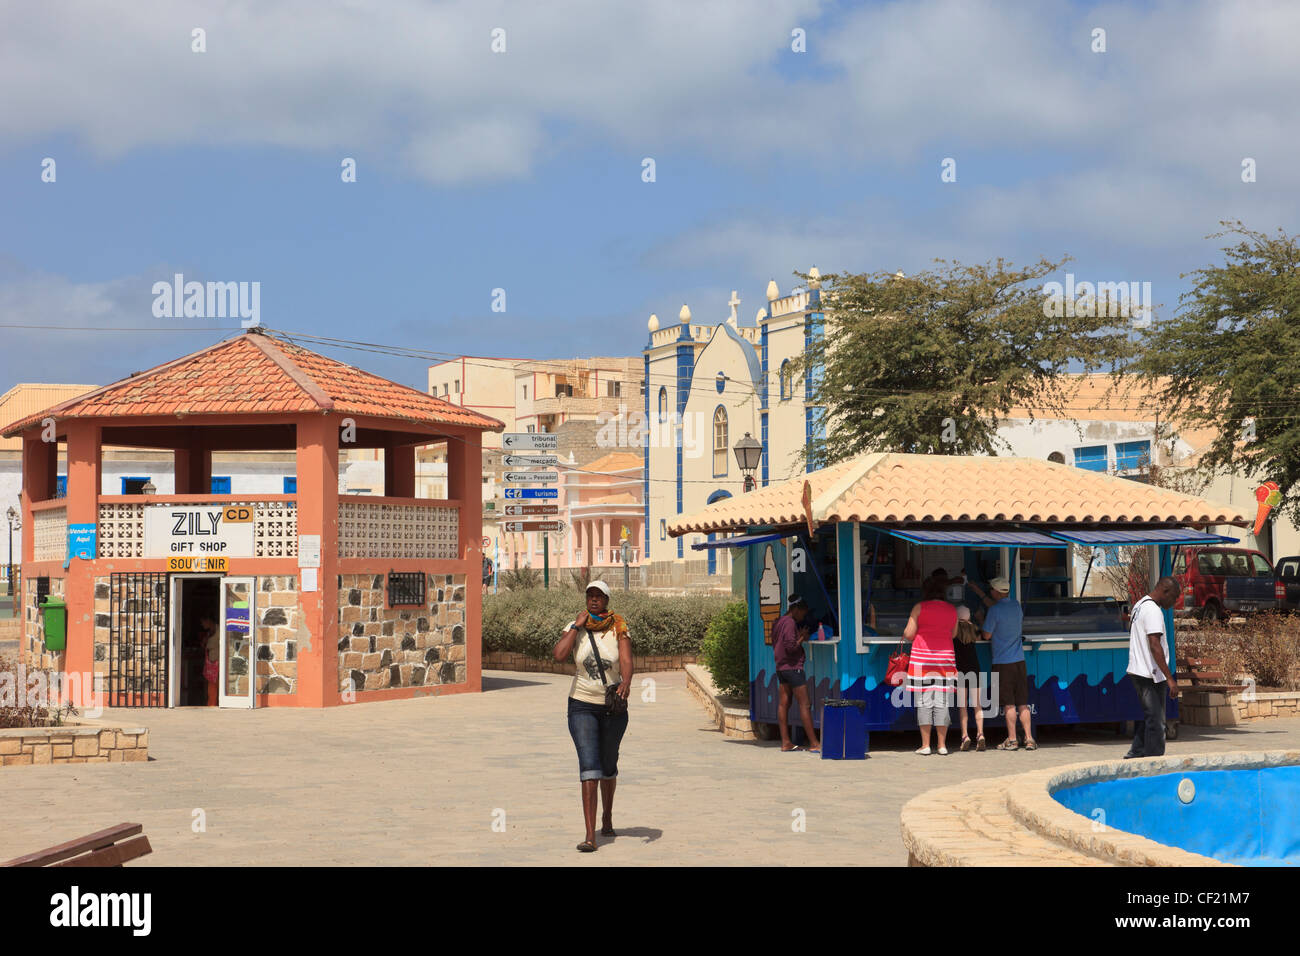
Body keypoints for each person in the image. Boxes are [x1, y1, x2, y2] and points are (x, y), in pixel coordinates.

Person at [553, 580, 632, 852]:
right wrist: (576, 626)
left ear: (607, 600)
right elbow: (559, 655)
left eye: (599, 596)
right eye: (590, 596)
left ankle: (607, 817)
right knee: (589, 765)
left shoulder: (618, 627)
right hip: (582, 704)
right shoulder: (576, 627)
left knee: (608, 763)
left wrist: (627, 682)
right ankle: (590, 835)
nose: (594, 600)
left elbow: (626, 659)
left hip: (612, 706)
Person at [1124, 576, 1180, 759]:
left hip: (1140, 670)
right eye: (1173, 598)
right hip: (1149, 674)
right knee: (1157, 722)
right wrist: (1170, 679)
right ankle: (1154, 762)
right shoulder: (1153, 611)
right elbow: (1154, 645)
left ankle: (1136, 753)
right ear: (1164, 591)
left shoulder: (1140, 605)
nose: (1173, 604)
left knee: (1150, 717)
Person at [903, 576, 959, 755]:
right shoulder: (952, 610)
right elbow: (953, 634)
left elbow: (909, 634)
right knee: (942, 703)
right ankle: (942, 746)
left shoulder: (919, 607)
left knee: (924, 703)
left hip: (922, 661)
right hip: (945, 661)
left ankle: (925, 745)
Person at [979, 577, 1032, 750]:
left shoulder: (994, 611)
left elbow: (986, 635)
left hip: (1003, 662)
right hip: (1019, 661)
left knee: (1009, 703)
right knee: (1022, 702)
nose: (990, 592)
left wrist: (980, 620)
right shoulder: (1016, 606)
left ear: (996, 591)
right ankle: (1029, 738)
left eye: (991, 590)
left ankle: (1012, 739)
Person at [772, 595, 820, 753]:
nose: (803, 617)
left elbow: (779, 643)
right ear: (796, 609)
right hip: (793, 668)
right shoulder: (790, 622)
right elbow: (791, 647)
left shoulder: (778, 621)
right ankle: (814, 743)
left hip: (781, 668)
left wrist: (797, 637)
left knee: (783, 704)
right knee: (805, 704)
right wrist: (802, 638)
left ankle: (786, 742)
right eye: (803, 613)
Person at [953, 607, 986, 751]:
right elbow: (981, 637)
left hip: (960, 671)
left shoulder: (953, 631)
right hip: (974, 669)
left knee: (963, 706)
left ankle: (965, 736)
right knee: (977, 705)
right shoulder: (974, 629)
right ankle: (980, 734)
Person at [199, 615, 219, 706]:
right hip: (211, 663)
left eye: (203, 622)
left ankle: (215, 704)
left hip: (218, 663)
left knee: (216, 686)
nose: (202, 624)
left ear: (209, 620)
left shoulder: (219, 630)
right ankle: (211, 705)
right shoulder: (209, 633)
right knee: (211, 688)